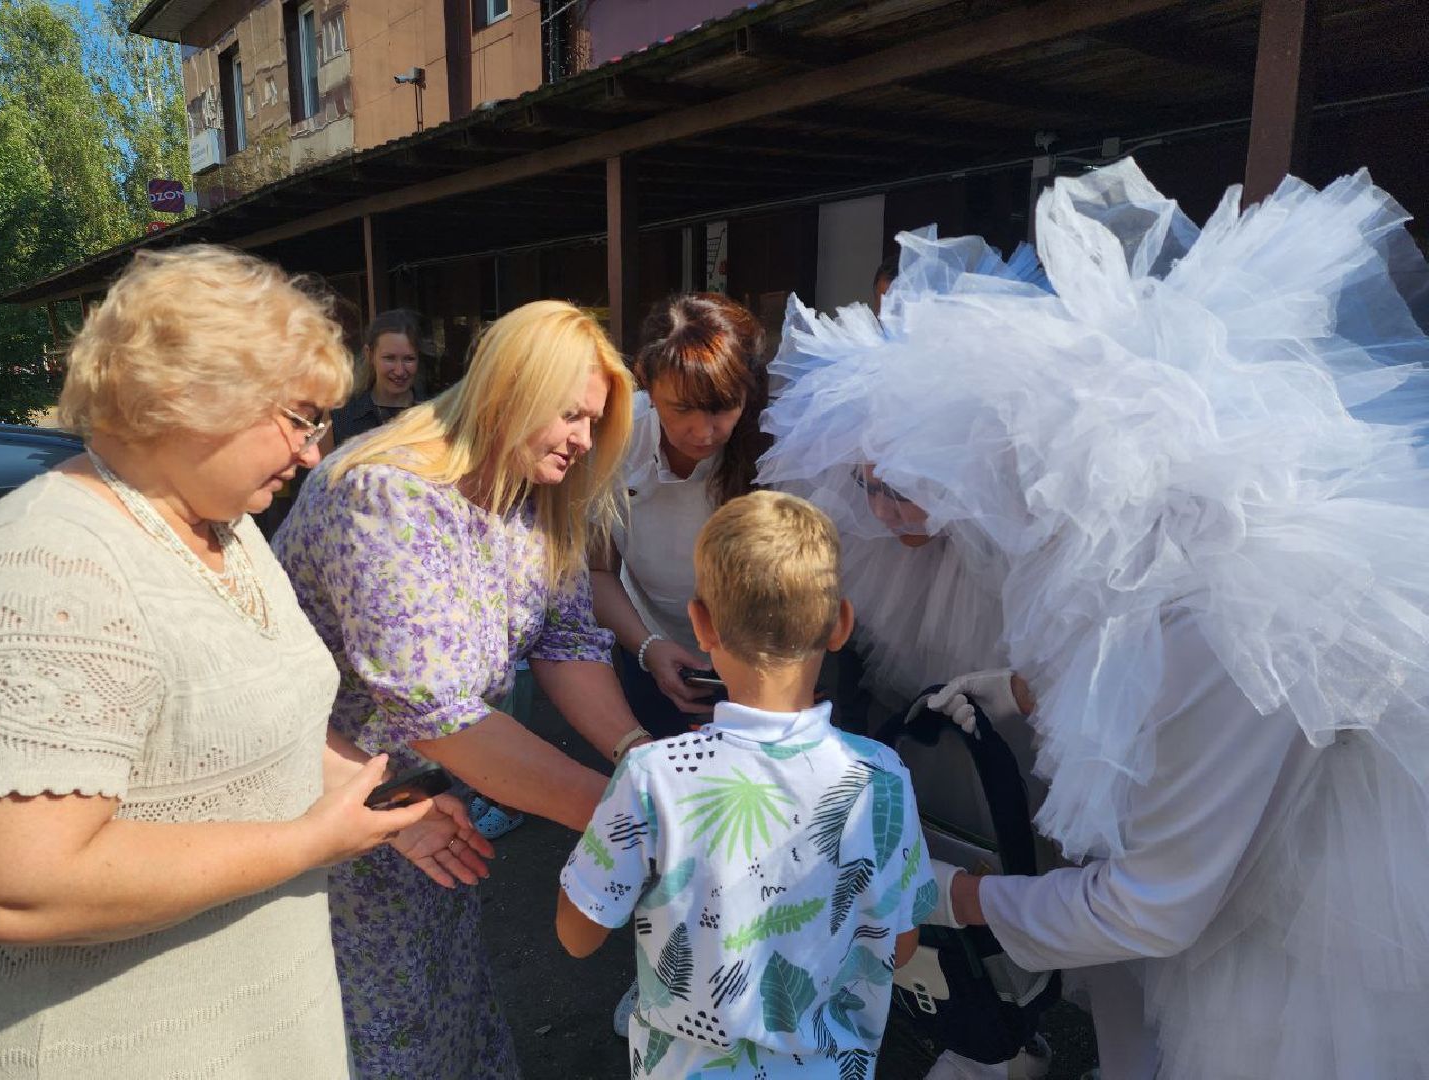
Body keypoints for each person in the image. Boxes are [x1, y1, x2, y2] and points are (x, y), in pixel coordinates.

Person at [758, 159, 1429, 1079]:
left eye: (923, 497)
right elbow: (1110, 692)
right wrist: (1018, 690)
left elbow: (1154, 903)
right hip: (1212, 851)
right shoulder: (1102, 534)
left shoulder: (1203, 617)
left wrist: (955, 898)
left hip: (1312, 905)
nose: (902, 520)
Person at [0, 246, 486, 1078]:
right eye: (299, 417)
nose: (309, 452)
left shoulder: (229, 527)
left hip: (266, 1027)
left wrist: (377, 801)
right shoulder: (52, 559)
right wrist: (305, 844)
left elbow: (271, 719)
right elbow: (21, 880)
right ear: (191, 392)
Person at [273, 298, 653, 1080]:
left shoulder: (536, 493)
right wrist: (629, 818)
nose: (585, 442)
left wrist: (639, 759)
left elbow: (568, 639)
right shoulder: (386, 495)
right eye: (574, 416)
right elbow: (439, 717)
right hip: (320, 802)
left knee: (444, 1001)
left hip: (424, 801)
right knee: (372, 1029)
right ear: (511, 390)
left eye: (595, 423)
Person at [558, 490, 938, 1078]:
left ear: (701, 624)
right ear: (840, 623)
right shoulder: (881, 777)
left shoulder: (652, 776)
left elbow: (577, 934)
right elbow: (902, 942)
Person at [590, 293, 771, 736]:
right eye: (682, 408)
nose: (703, 432)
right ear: (646, 383)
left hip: (762, 659)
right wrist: (649, 647)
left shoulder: (774, 446)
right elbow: (597, 570)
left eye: (722, 407)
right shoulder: (613, 439)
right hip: (650, 644)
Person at [323, 307, 427, 452]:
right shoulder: (340, 415)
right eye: (389, 358)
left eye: (409, 359)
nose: (399, 371)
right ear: (369, 355)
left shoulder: (434, 415)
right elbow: (323, 472)